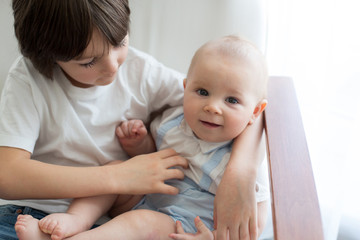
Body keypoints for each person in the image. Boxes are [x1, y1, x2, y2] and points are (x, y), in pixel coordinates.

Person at [0, 0, 265, 239]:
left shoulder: (142, 72)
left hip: (121, 222)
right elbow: (7, 175)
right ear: (48, 55)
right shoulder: (29, 79)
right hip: (30, 214)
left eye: (119, 43)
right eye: (89, 62)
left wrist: (240, 173)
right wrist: (118, 174)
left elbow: (252, 102)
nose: (113, 66)